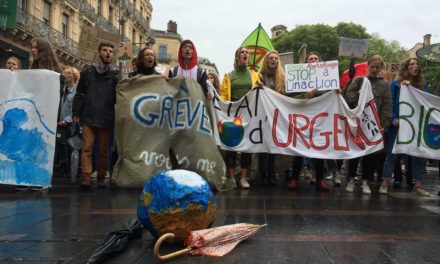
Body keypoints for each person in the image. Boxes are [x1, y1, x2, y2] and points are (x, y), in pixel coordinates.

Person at [16, 38, 62, 191]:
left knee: (42, 145)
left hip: (46, 115)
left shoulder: (55, 72)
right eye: (32, 47)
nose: (32, 50)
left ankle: (40, 179)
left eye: (36, 48)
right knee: (28, 145)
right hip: (31, 112)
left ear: (43, 51)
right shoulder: (32, 68)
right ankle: (27, 179)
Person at [380, 58, 430, 196]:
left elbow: (426, 103)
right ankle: (385, 182)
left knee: (418, 155)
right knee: (392, 154)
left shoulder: (423, 85)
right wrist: (394, 119)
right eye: (412, 64)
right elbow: (389, 104)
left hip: (415, 126)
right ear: (405, 68)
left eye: (417, 64)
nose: (415, 66)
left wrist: (412, 88)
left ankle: (418, 185)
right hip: (398, 126)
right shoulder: (396, 84)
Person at [73, 42, 119, 189]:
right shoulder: (87, 72)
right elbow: (79, 94)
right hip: (88, 116)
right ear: (99, 52)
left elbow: (118, 97)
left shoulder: (115, 75)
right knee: (87, 147)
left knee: (104, 151)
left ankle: (100, 177)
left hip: (106, 117)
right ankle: (86, 177)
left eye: (111, 51)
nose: (108, 53)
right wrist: (76, 113)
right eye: (105, 50)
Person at [344, 55, 392, 195]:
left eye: (378, 67)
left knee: (371, 155)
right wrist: (359, 94)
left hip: (374, 124)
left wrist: (384, 124)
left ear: (381, 68)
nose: (375, 69)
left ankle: (366, 181)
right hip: (358, 122)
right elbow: (348, 97)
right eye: (373, 67)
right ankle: (351, 179)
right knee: (355, 152)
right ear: (368, 66)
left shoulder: (384, 84)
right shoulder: (359, 80)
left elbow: (387, 105)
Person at [287, 52, 330, 191]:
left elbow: (331, 93)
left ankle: (319, 179)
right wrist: (304, 95)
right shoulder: (299, 77)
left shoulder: (327, 76)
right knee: (299, 148)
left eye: (315, 59)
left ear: (320, 61)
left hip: (320, 118)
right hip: (302, 117)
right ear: (306, 63)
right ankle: (294, 178)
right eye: (310, 59)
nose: (313, 61)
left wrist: (336, 93)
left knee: (320, 149)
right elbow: (290, 96)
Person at [219, 46, 260, 188]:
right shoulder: (228, 76)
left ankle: (243, 178)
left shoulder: (255, 75)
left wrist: (261, 87)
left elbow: (260, 94)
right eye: (242, 52)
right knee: (230, 146)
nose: (245, 54)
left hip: (248, 115)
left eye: (247, 52)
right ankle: (231, 178)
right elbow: (223, 97)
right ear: (237, 57)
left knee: (246, 147)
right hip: (232, 115)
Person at [257, 51, 285, 186]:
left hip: (278, 116)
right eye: (270, 58)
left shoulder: (283, 78)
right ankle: (262, 172)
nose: (273, 60)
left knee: (274, 145)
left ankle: (271, 172)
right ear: (266, 61)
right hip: (263, 115)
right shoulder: (260, 77)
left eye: (275, 58)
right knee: (263, 145)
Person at [54, 67, 80, 176]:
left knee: (70, 145)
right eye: (65, 73)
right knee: (61, 144)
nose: (66, 75)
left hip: (71, 122)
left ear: (74, 76)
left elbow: (75, 108)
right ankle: (63, 166)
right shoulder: (64, 90)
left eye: (69, 73)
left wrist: (67, 120)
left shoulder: (76, 90)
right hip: (61, 121)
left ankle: (71, 168)